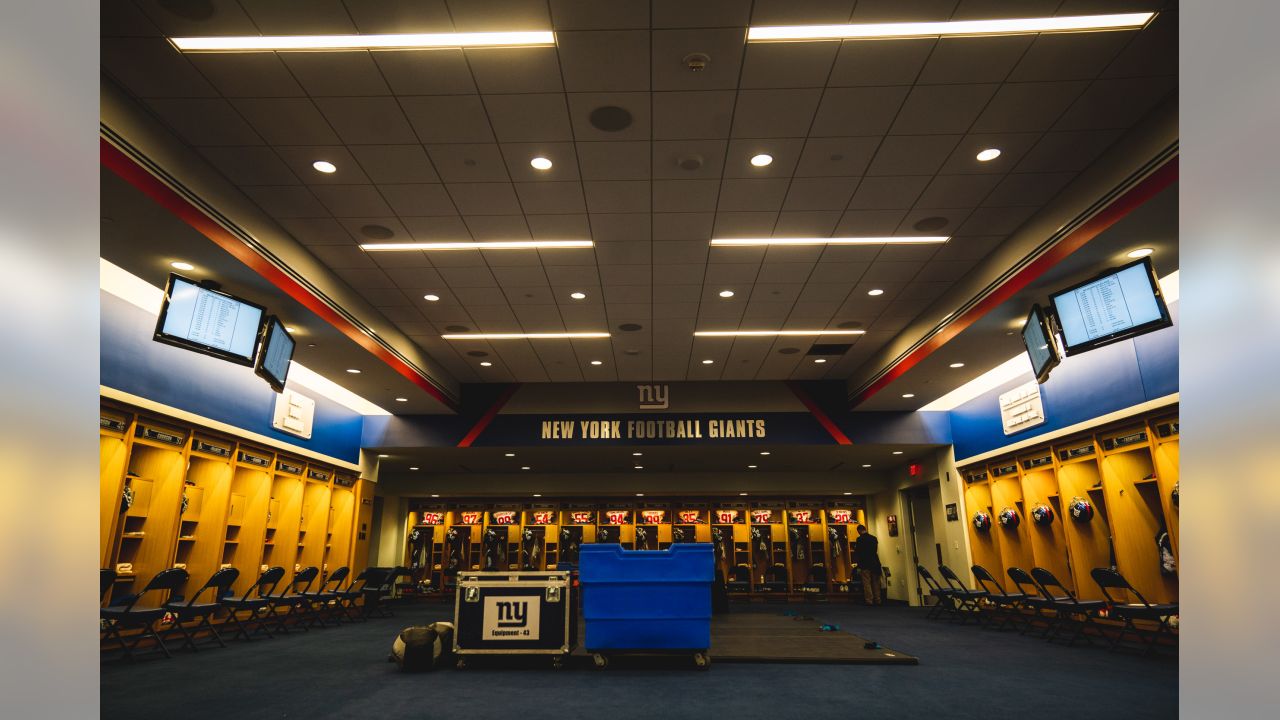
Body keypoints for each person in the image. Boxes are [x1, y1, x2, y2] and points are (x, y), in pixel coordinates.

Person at [852, 524, 883, 606]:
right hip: (875, 562)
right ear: (865, 529)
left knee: (867, 582)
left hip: (865, 563)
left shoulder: (859, 539)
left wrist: (859, 564)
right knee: (876, 582)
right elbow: (875, 550)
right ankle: (878, 599)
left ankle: (869, 600)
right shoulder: (874, 538)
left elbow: (858, 552)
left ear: (859, 530)